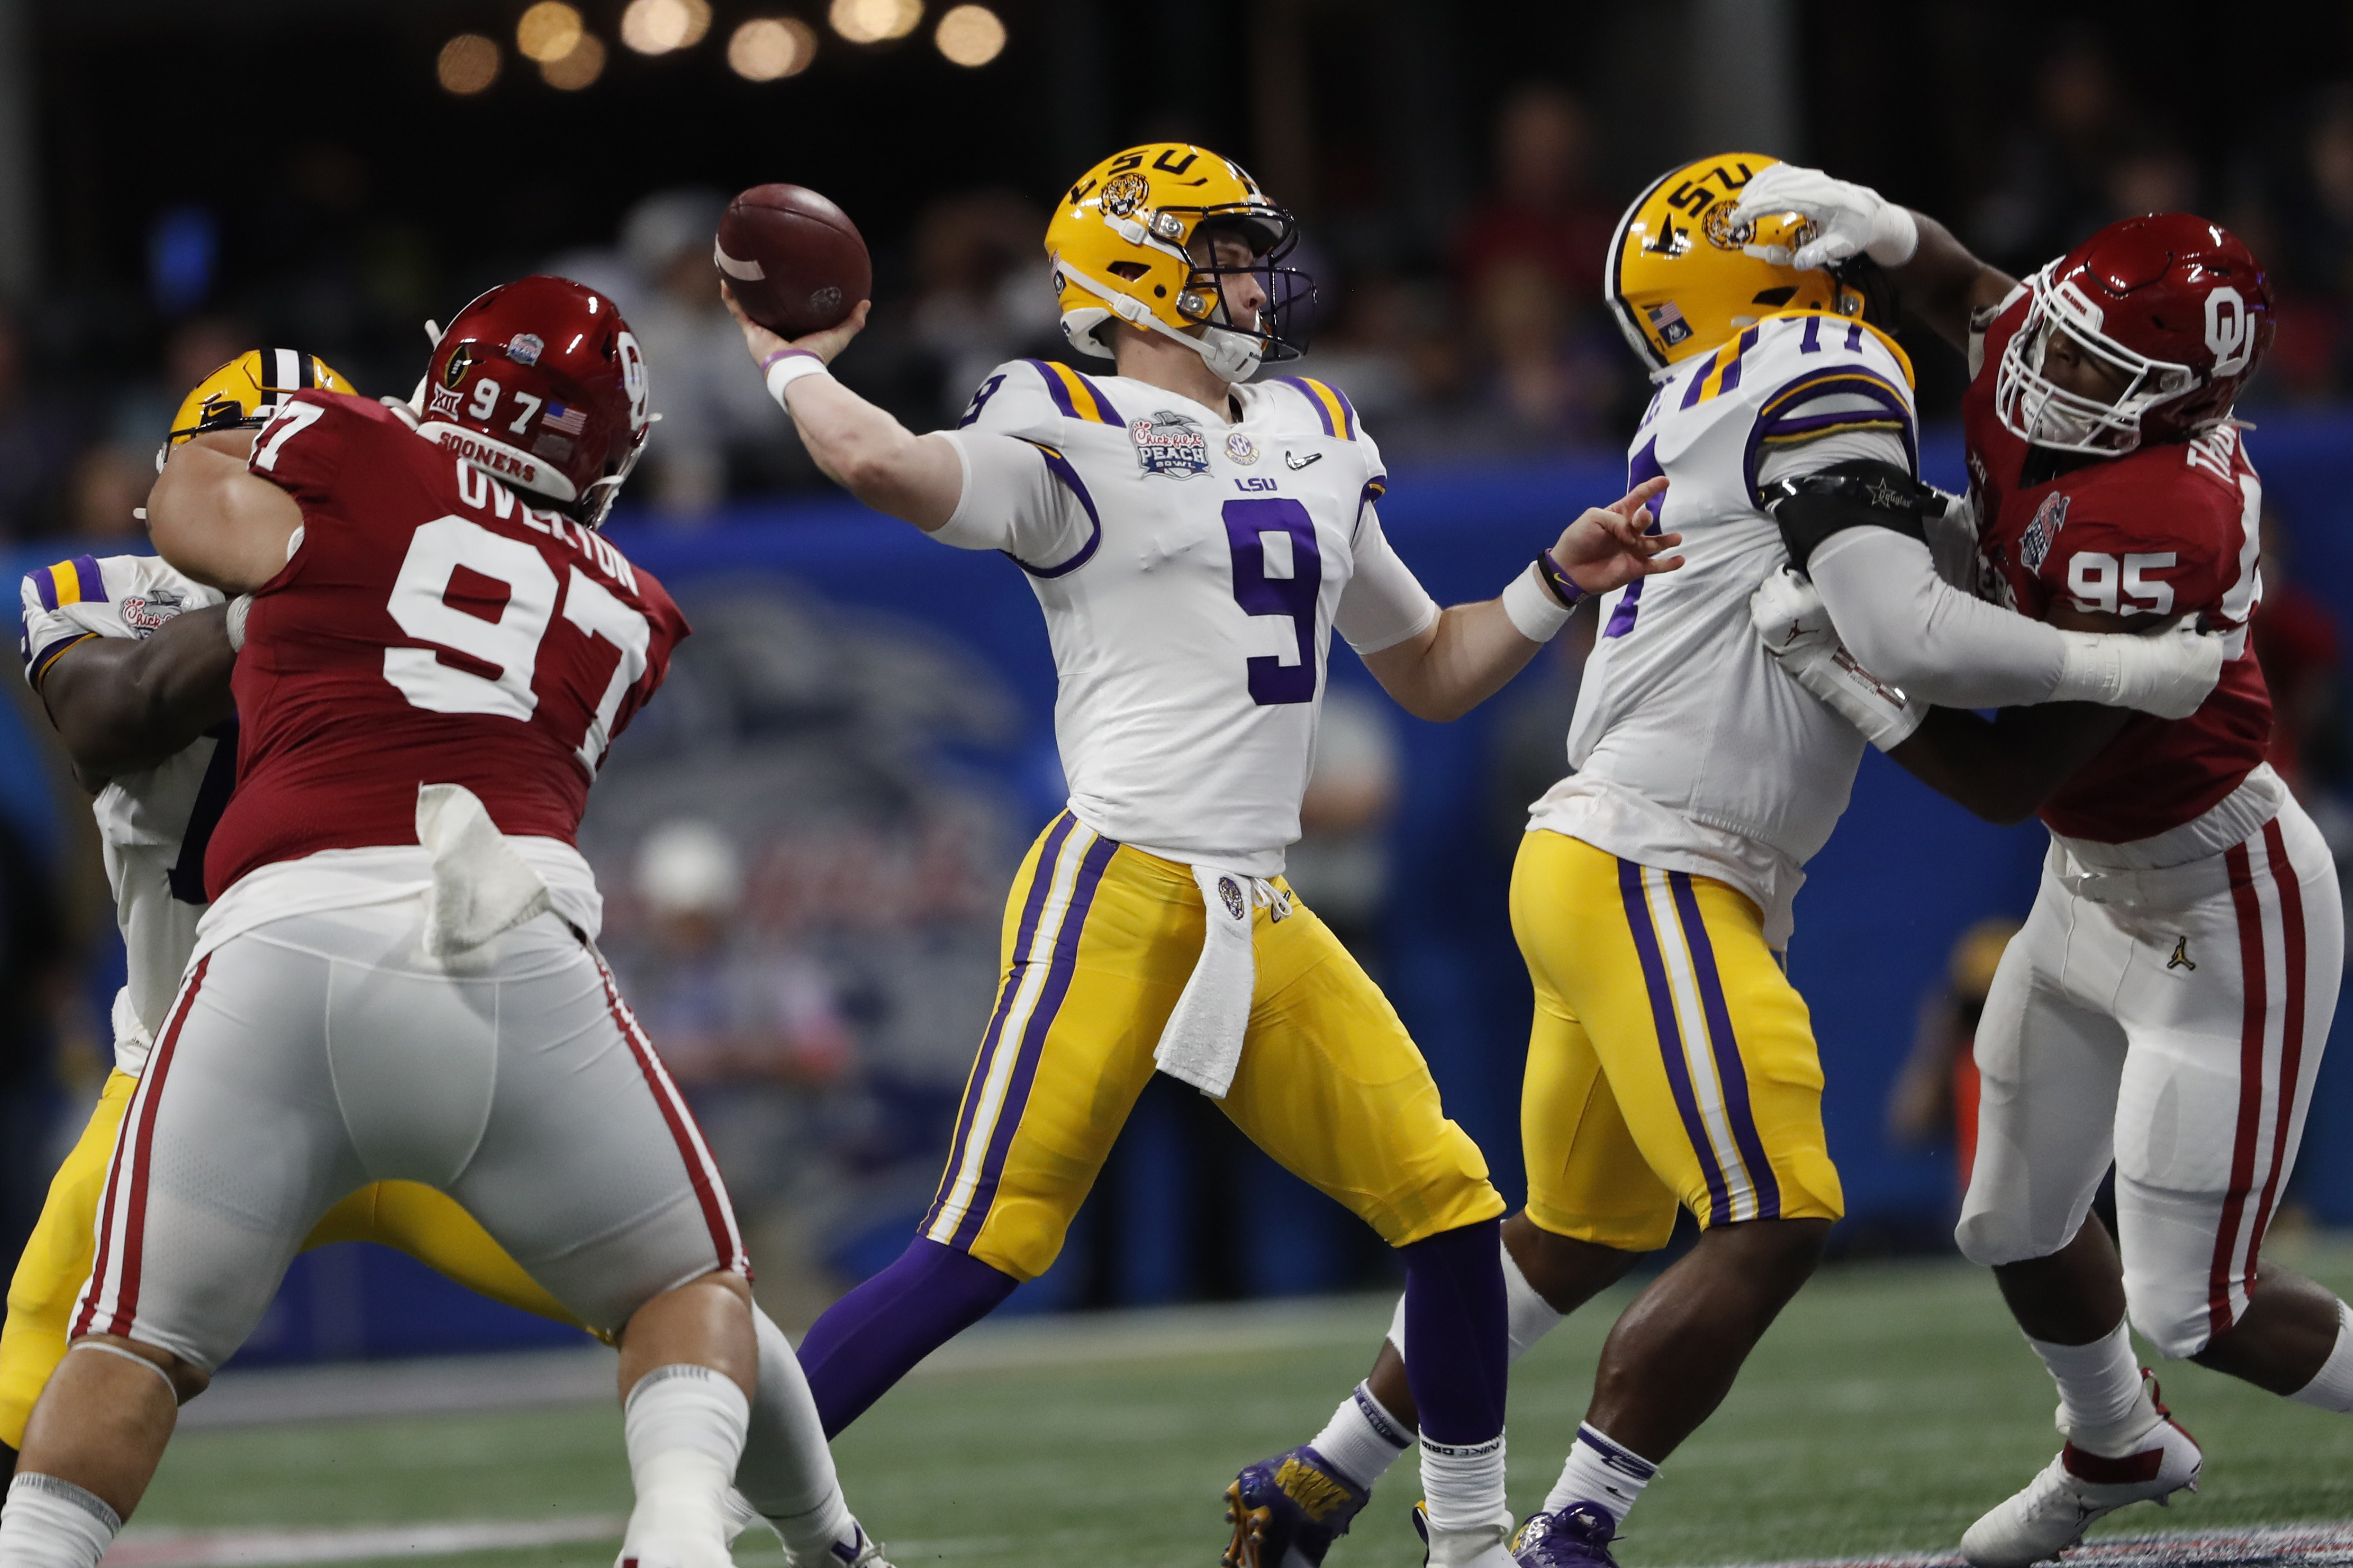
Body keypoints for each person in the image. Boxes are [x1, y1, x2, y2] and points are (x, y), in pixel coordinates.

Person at [1223, 153, 2228, 1568]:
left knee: (1569, 1237)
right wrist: (2118, 663)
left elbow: (1889, 568)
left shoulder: (1715, 394)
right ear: (1772, 262)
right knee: (1775, 1214)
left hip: (1603, 857)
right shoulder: (1816, 359)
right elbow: (1898, 628)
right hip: (1655, 860)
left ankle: (1315, 1480)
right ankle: (1570, 1536)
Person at [722, 141, 1679, 1568]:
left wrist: (1549, 582)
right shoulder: (1060, 414)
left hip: (1256, 901)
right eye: (1222, 250)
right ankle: (706, 1514)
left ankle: (1471, 1543)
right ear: (1138, 274)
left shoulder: (1310, 424)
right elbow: (878, 461)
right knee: (981, 1245)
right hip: (1117, 879)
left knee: (1450, 1206)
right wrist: (789, 359)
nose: (1254, 276)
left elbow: (1424, 666)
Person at [0, 286, 872, 1568]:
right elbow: (107, 712)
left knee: (135, 1341)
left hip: (263, 995)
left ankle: (838, 1543)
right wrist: (287, 589)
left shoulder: (371, 499)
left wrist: (323, 564)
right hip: (226, 1038)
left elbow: (298, 542)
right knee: (682, 1288)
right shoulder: (576, 583)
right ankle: (724, 1531)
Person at [1736, 164, 2353, 1566]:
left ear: (2181, 400)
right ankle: (2115, 1444)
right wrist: (1879, 223)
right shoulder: (2048, 339)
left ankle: (2150, 1404)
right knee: (2009, 1219)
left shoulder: (2168, 522)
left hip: (2220, 903)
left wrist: (1840, 676)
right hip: (2091, 886)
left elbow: (2008, 780)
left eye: (2094, 362)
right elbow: (1965, 286)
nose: (2049, 367)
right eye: (2064, 333)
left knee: (2199, 1306)